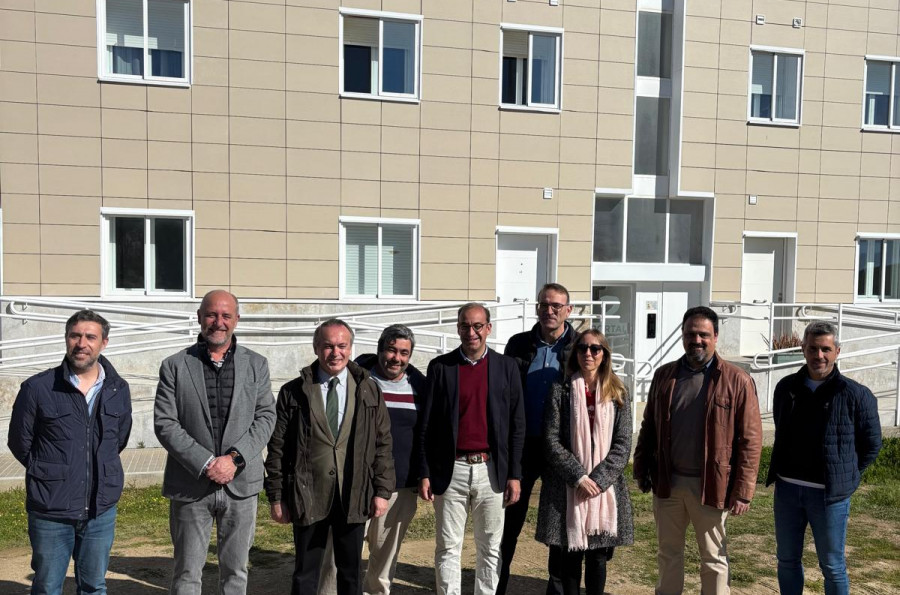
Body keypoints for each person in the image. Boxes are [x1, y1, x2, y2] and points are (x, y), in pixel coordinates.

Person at [633, 306, 762, 595]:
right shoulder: (664, 376)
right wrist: (641, 467)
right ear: (682, 336)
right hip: (668, 483)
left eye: (704, 334)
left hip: (712, 485)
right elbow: (649, 426)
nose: (697, 340)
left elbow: (750, 440)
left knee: (713, 557)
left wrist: (743, 490)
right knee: (668, 552)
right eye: (691, 334)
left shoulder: (737, 379)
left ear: (716, 336)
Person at [154, 290, 276, 595]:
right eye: (211, 314)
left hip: (241, 485)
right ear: (199, 317)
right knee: (186, 573)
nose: (218, 322)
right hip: (190, 484)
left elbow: (265, 417)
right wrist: (207, 462)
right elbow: (165, 423)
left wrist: (234, 459)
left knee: (236, 572)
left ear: (237, 319)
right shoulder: (174, 365)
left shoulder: (256, 365)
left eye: (225, 315)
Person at [265, 319, 394, 595]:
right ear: (316, 348)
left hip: (354, 494)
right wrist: (276, 496)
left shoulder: (369, 389)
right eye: (328, 346)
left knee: (351, 574)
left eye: (342, 346)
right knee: (305, 574)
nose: (335, 353)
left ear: (350, 348)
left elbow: (382, 444)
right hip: (307, 494)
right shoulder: (293, 392)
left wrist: (382, 491)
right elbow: (277, 448)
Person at [8, 310, 132, 595]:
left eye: (90, 337)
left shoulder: (118, 389)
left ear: (104, 343)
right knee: (47, 587)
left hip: (100, 510)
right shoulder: (38, 388)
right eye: (75, 336)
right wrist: (51, 473)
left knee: (94, 586)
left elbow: (119, 439)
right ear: (66, 339)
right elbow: (20, 443)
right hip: (51, 509)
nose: (81, 343)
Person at [766, 321, 882, 595]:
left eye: (826, 349)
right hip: (787, 490)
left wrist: (846, 474)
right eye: (813, 349)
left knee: (832, 565)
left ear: (837, 351)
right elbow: (781, 427)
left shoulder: (855, 394)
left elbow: (872, 444)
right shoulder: (786, 387)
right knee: (786, 560)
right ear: (803, 350)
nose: (819, 356)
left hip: (829, 497)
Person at [418, 303, 525, 595]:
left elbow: (517, 426)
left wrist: (514, 474)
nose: (471, 332)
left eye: (477, 326)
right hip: (451, 469)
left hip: (491, 470)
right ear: (458, 328)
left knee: (490, 547)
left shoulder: (507, 367)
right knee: (448, 546)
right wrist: (424, 472)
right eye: (465, 326)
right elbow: (426, 425)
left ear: (488, 328)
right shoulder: (441, 367)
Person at [318, 324, 426, 595]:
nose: (396, 358)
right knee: (337, 553)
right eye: (391, 350)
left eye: (404, 353)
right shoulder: (356, 378)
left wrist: (423, 473)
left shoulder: (420, 387)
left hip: (400, 484)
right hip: (352, 481)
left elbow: (426, 434)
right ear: (380, 350)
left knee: (385, 553)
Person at [535, 329, 634, 595]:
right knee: (569, 556)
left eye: (595, 349)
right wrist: (579, 477)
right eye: (582, 348)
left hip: (603, 489)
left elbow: (623, 443)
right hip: (567, 487)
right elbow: (551, 439)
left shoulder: (618, 392)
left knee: (598, 558)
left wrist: (597, 481)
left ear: (604, 355)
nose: (588, 354)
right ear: (575, 353)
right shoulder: (561, 390)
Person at [499, 283, 575, 594]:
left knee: (558, 523)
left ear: (568, 310)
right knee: (509, 519)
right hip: (522, 445)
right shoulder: (518, 344)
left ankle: (555, 589)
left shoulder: (580, 346)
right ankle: (496, 584)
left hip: (561, 447)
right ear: (537, 308)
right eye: (544, 304)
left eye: (556, 306)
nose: (549, 310)